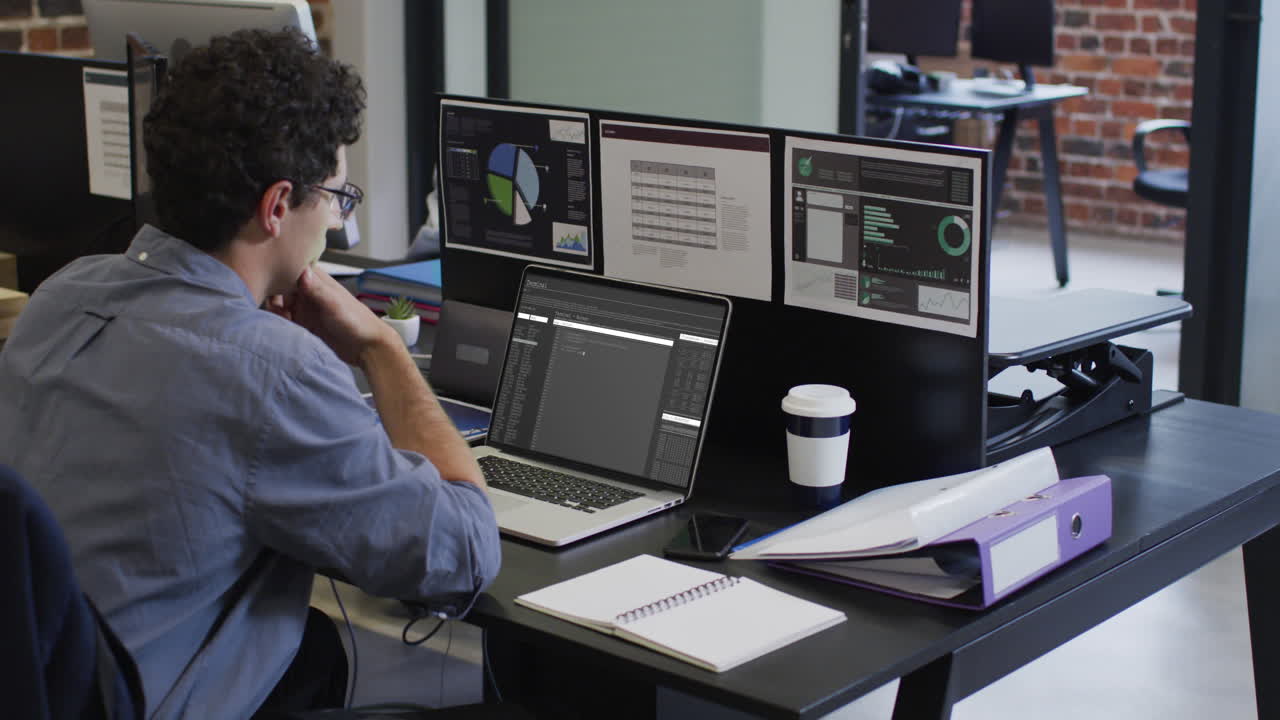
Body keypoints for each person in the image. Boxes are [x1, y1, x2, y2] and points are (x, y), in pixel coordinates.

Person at [0, 28, 500, 719]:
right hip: (147, 699)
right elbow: (465, 553)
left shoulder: (61, 297)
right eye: (335, 197)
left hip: (60, 678)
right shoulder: (271, 369)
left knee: (314, 647)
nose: (336, 224)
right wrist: (381, 348)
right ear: (275, 207)